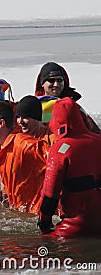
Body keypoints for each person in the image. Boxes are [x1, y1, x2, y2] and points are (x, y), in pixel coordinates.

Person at [37, 97, 101, 237]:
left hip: (73, 228)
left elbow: (50, 194)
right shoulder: (98, 140)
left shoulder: (60, 149)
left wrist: (44, 224)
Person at [0, 102, 49, 214]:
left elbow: (58, 159)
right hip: (22, 214)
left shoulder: (23, 144)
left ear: (1, 123)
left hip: (38, 215)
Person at [35, 61, 101, 133]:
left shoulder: (73, 106)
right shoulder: (33, 107)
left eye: (59, 80)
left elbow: (94, 132)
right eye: (51, 80)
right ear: (42, 83)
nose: (56, 84)